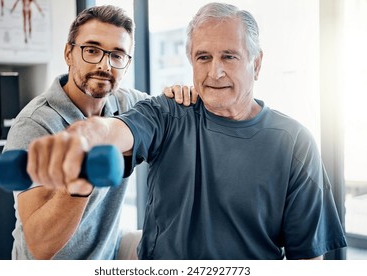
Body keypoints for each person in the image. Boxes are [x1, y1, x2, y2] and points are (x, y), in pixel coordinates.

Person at [24, 2, 347, 259]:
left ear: (257, 63)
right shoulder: (167, 112)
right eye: (203, 57)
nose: (214, 71)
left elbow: (306, 259)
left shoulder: (294, 142)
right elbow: (115, 128)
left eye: (229, 56)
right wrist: (82, 136)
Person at [4, 5, 196, 260]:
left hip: (107, 256)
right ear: (68, 53)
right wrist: (79, 179)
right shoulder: (34, 125)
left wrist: (181, 97)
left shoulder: (129, 104)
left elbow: (168, 117)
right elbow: (40, 246)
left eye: (117, 55)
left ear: (127, 64)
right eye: (92, 50)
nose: (105, 65)